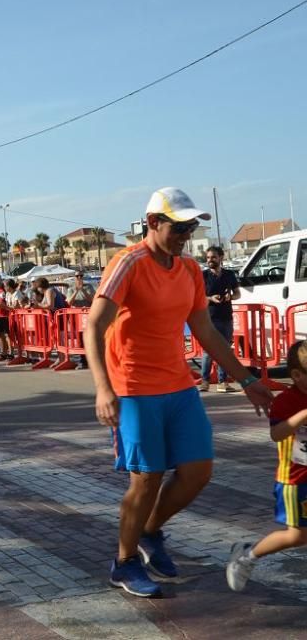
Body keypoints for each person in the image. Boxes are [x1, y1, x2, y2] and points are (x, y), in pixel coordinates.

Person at [84, 188, 273, 598]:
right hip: (133, 387)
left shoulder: (189, 269)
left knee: (198, 471)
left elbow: (205, 331)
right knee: (146, 478)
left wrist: (246, 380)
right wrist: (103, 389)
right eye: (178, 226)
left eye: (191, 226)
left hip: (178, 384)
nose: (186, 234)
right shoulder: (127, 263)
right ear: (153, 223)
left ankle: (150, 532)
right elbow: (93, 327)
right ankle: (124, 561)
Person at [226, 340, 307, 592]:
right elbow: (277, 434)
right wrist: (303, 416)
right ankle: (246, 557)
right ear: (296, 375)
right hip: (295, 481)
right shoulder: (287, 401)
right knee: (297, 536)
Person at [199, 245, 241, 393]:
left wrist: (231, 296)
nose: (210, 260)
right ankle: (205, 381)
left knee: (225, 350)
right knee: (208, 351)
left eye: (213, 257)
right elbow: (196, 297)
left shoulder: (229, 274)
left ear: (221, 258)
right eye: (208, 257)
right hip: (209, 318)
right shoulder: (203, 276)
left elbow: (238, 294)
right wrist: (210, 298)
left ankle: (222, 382)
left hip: (226, 318)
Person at [0, 278, 12, 359]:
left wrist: (4, 306)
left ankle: (10, 352)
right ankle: (3, 352)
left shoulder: (4, 291)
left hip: (5, 316)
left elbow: (6, 304)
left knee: (7, 335)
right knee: (0, 335)